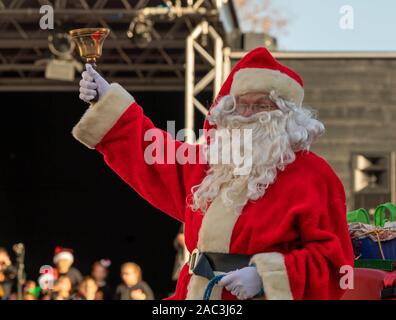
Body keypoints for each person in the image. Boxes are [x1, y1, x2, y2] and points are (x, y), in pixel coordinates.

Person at [74, 47, 354, 300]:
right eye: (242, 104)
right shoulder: (209, 164)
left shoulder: (314, 176)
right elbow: (152, 153)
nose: (249, 114)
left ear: (287, 114)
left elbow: (334, 262)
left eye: (262, 105)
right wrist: (107, 100)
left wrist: (265, 276)